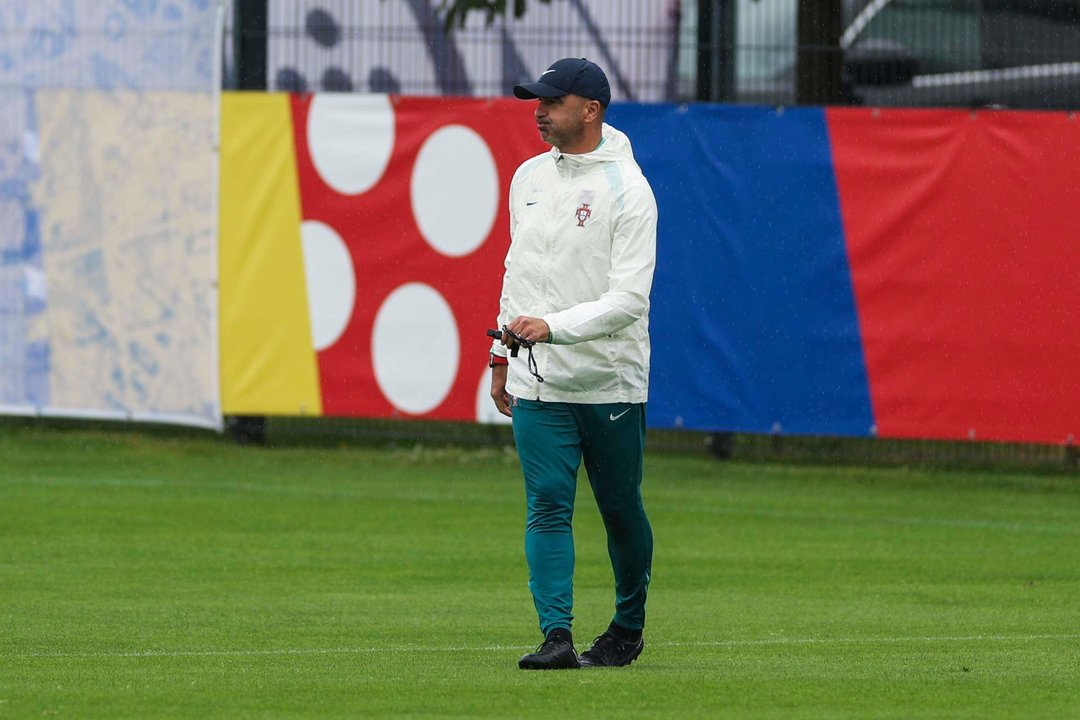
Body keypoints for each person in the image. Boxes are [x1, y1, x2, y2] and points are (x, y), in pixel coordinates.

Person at [489, 58, 658, 670]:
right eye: (537, 101)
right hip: (537, 378)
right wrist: (500, 353)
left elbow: (628, 301)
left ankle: (627, 627)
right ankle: (555, 636)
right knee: (547, 505)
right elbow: (518, 269)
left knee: (620, 510)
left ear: (590, 110)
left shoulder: (630, 190)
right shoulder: (527, 176)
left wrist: (553, 328)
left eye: (552, 102)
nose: (539, 111)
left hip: (608, 380)